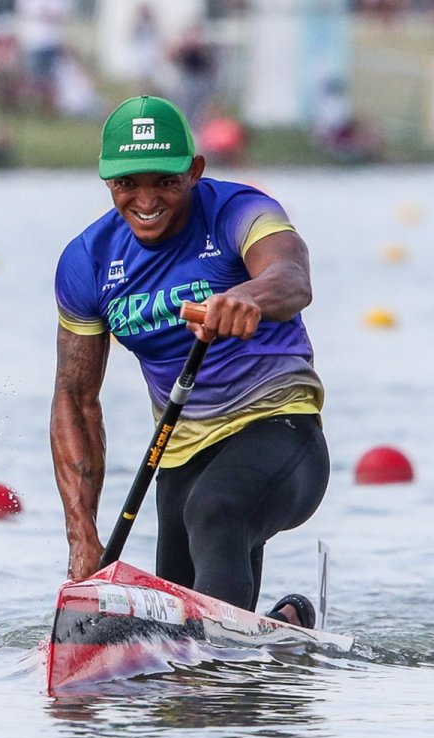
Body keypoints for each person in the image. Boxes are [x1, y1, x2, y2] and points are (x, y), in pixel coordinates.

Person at [51, 96, 328, 627]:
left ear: (195, 170)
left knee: (217, 510)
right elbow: (76, 398)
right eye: (127, 184)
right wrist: (82, 535)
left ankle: (215, 662)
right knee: (179, 604)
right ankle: (282, 628)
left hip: (280, 430)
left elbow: (292, 278)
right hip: (179, 457)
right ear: (107, 181)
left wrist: (247, 297)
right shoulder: (87, 261)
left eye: (165, 181)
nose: (146, 200)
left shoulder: (240, 211)